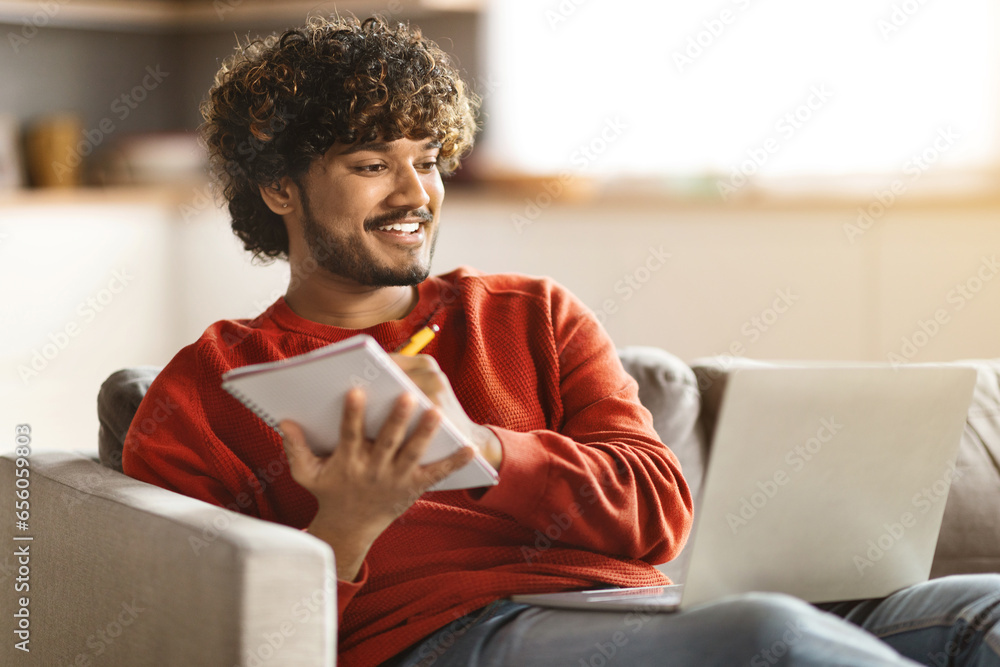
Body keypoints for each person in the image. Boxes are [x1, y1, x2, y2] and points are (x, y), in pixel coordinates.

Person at [122, 14, 1000, 667]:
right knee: (768, 639)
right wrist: (346, 526)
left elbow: (657, 515)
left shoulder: (531, 313)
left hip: (643, 608)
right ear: (278, 188)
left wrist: (489, 447)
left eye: (426, 158)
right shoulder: (213, 385)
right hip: (445, 639)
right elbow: (210, 632)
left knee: (979, 611)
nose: (413, 192)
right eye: (370, 164)